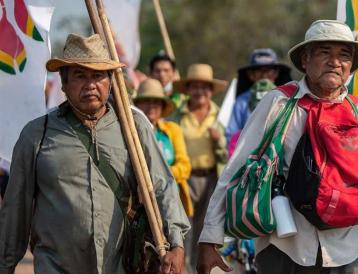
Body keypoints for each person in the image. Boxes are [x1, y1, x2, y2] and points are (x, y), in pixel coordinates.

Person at [0, 34, 190, 273]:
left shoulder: (133, 127)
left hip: (120, 264)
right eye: (80, 75)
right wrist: (5, 265)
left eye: (98, 75)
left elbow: (163, 186)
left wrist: (177, 243)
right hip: (56, 265)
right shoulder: (37, 134)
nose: (90, 84)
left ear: (110, 82)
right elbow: (16, 207)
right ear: (64, 82)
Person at [197, 20, 358, 274]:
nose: (335, 62)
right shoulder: (278, 103)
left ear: (350, 67)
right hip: (284, 246)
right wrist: (209, 238)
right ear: (305, 59)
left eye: (344, 55)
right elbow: (235, 168)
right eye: (325, 52)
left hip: (346, 249)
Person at [170, 64, 229, 272]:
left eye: (204, 87)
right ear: (187, 90)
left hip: (212, 178)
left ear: (211, 91)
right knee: (183, 227)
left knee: (206, 229)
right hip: (184, 180)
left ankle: (201, 269)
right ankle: (182, 268)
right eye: (195, 87)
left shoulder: (220, 117)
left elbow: (230, 154)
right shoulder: (177, 116)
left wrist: (219, 140)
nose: (199, 92)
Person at [133, 78, 194, 217]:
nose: (151, 106)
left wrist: (158, 176)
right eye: (146, 101)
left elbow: (185, 166)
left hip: (171, 201)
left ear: (162, 106)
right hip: (138, 204)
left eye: (156, 102)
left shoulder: (173, 130)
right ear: (138, 105)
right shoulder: (129, 132)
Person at [225, 48, 292, 141]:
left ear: (276, 73)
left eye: (269, 70)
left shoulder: (286, 98)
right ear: (250, 75)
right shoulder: (242, 101)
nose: (264, 75)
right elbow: (231, 135)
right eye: (259, 71)